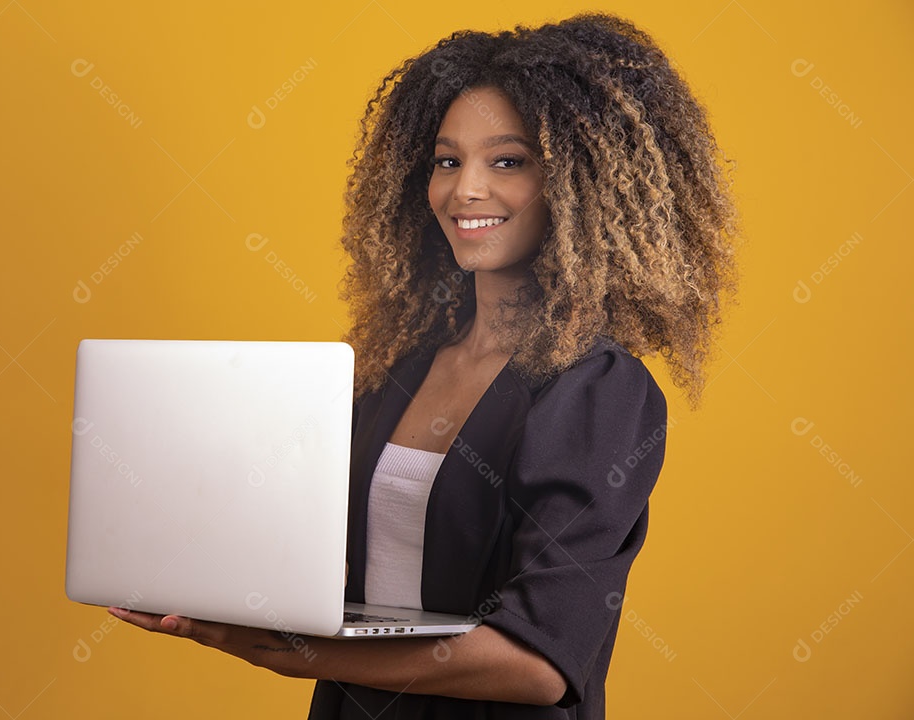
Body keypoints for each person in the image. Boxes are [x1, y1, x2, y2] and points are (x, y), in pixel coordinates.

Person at [110, 12, 737, 719]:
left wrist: (292, 654)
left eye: (508, 160)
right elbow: (343, 574)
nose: (464, 190)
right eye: (447, 160)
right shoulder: (394, 370)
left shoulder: (597, 390)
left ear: (584, 181)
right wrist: (217, 589)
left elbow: (538, 665)